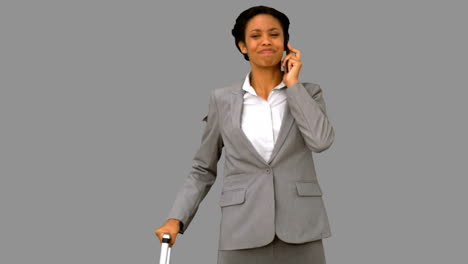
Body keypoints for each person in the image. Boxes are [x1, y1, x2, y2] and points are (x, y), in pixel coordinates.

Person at [155, 5, 335, 264]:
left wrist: (293, 84)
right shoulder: (222, 100)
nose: (266, 41)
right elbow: (203, 168)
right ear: (242, 45)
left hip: (302, 230)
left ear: (286, 43)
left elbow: (321, 141)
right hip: (241, 230)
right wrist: (176, 218)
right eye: (255, 35)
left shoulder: (309, 92)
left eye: (274, 34)